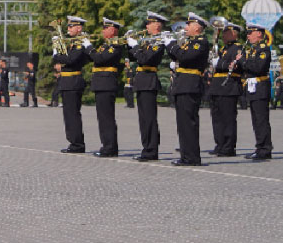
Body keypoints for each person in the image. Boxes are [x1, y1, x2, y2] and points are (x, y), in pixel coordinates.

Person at [166, 12, 210, 166]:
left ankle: (192, 157)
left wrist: (171, 45)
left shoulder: (201, 42)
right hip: (183, 85)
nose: (185, 27)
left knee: (188, 123)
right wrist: (170, 47)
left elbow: (185, 57)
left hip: (190, 85)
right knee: (183, 124)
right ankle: (186, 155)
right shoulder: (189, 42)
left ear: (197, 28)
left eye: (189, 24)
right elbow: (177, 56)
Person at [127, 11, 168, 161]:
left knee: (149, 118)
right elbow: (133, 56)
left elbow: (145, 59)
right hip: (142, 81)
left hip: (149, 80)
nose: (146, 26)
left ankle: (151, 150)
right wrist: (129, 44)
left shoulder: (158, 42)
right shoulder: (148, 41)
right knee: (143, 119)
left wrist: (136, 46)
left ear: (157, 25)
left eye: (150, 23)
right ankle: (146, 148)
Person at [53, 16, 90, 153]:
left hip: (73, 81)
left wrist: (56, 54)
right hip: (67, 82)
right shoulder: (72, 43)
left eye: (71, 26)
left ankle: (78, 144)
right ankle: (73, 142)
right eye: (68, 26)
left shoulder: (80, 44)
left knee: (73, 114)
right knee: (68, 114)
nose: (68, 29)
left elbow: (71, 59)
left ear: (79, 28)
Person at [89, 18, 126, 157]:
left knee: (107, 117)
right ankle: (107, 145)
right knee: (103, 117)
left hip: (106, 84)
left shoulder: (115, 45)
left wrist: (89, 48)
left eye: (105, 28)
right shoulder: (106, 45)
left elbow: (99, 59)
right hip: (101, 84)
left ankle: (110, 147)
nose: (103, 30)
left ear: (113, 30)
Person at [237, 23, 273, 160]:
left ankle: (265, 149)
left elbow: (258, 67)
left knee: (261, 120)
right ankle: (260, 147)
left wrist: (242, 61)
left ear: (259, 33)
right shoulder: (253, 50)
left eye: (250, 33)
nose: (248, 36)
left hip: (260, 87)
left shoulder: (263, 49)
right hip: (253, 87)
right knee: (256, 120)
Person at [208, 22, 243, 157]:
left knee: (228, 118)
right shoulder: (223, 48)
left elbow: (235, 65)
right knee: (217, 118)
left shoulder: (238, 48)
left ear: (234, 33)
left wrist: (220, 63)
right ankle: (220, 144)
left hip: (229, 86)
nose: (223, 35)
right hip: (217, 86)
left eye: (226, 32)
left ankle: (228, 147)